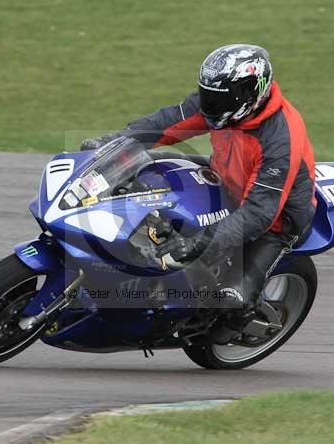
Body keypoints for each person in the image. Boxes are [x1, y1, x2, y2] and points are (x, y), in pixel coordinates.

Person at [81, 44, 316, 342]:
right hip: (224, 181)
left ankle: (236, 322)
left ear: (251, 91)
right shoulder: (220, 105)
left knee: (231, 299)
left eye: (221, 98)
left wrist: (199, 244)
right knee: (146, 177)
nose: (211, 105)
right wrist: (116, 143)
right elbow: (167, 123)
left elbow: (259, 213)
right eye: (208, 94)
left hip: (275, 220)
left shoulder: (280, 139)